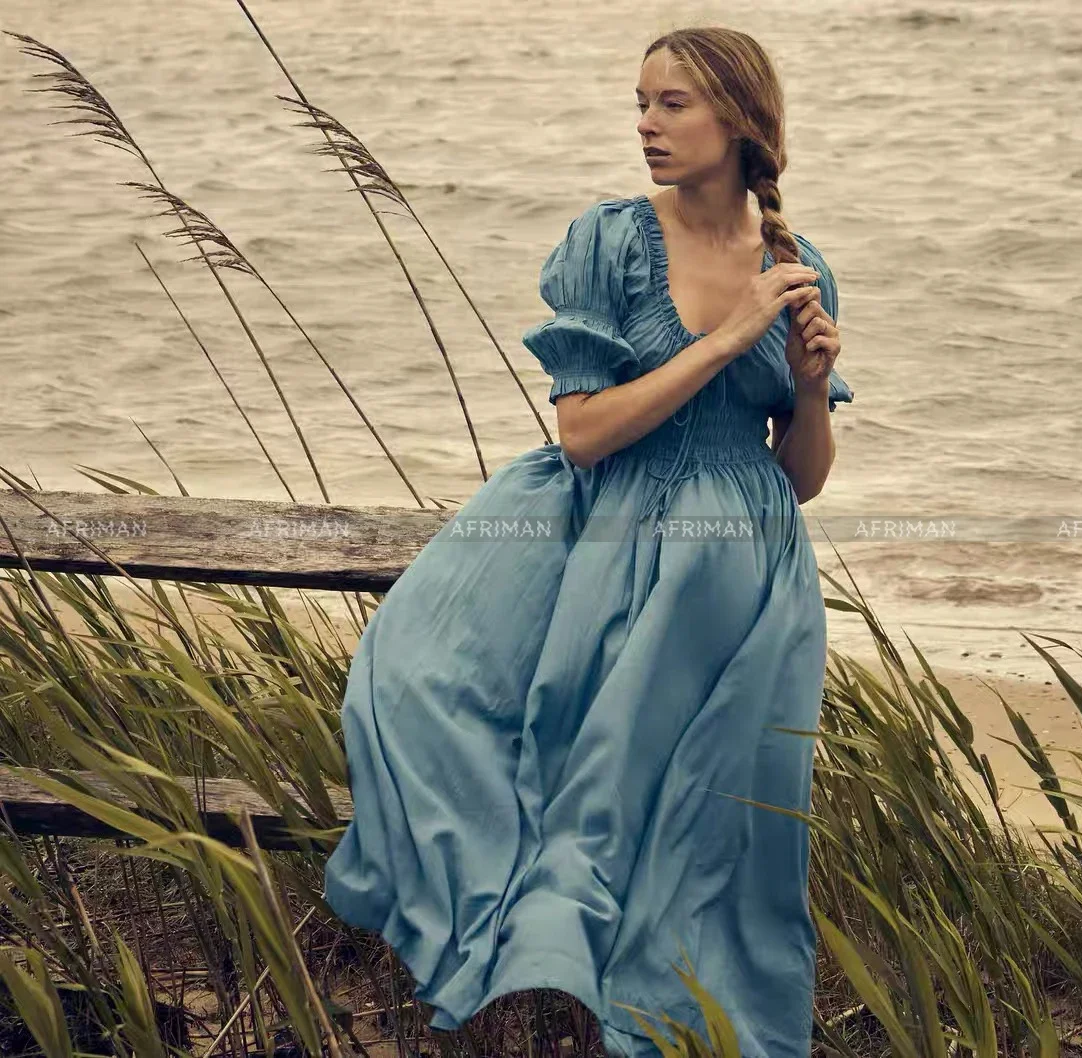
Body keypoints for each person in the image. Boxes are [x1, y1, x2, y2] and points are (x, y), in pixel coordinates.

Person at [324, 25, 854, 1058]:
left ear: (740, 118)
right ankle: (550, 986)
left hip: (742, 580)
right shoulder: (611, 242)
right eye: (642, 101)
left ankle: (679, 1025)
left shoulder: (798, 264)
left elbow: (797, 477)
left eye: (674, 104)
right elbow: (585, 431)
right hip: (609, 531)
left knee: (715, 830)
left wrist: (803, 385)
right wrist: (731, 338)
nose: (647, 124)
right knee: (426, 686)